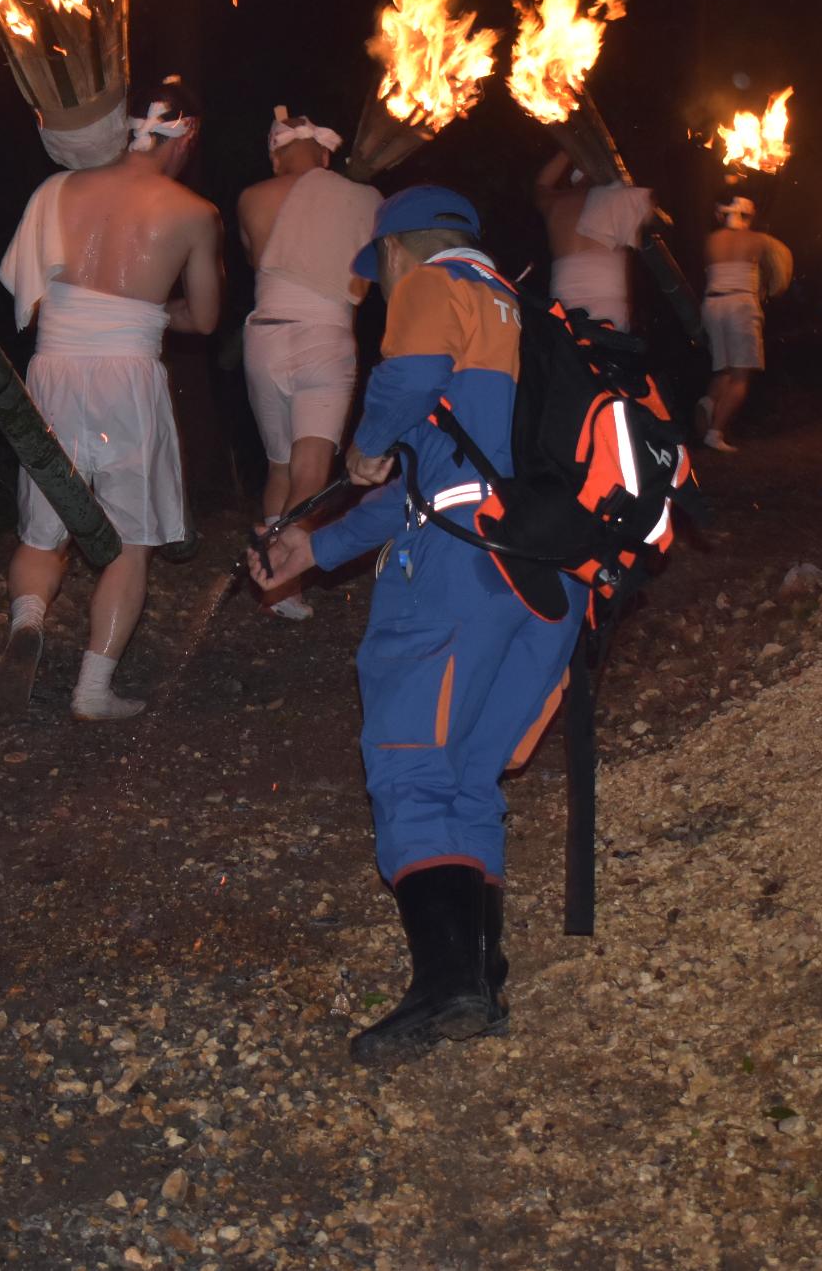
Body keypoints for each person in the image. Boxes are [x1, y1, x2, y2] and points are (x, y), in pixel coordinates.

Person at [247, 186, 586, 1067]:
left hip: (456, 582)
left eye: (380, 274)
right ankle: (483, 976)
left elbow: (402, 389)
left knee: (408, 769)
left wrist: (368, 438)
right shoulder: (527, 320)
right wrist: (314, 551)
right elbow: (424, 489)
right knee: (467, 777)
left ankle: (448, 985)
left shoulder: (442, 285)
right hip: (546, 581)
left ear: (397, 252)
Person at [0, 76, 224, 720]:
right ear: (188, 134)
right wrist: (146, 316)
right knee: (129, 539)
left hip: (54, 370)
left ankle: (28, 621)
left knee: (45, 525)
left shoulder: (56, 188)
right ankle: (92, 691)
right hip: (127, 376)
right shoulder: (194, 212)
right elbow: (204, 317)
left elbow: (29, 297)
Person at [235, 106, 381, 620]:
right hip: (325, 332)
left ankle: (278, 590)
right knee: (311, 463)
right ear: (323, 153)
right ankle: (287, 567)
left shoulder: (253, 197)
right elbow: (369, 274)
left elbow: (260, 262)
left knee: (280, 462)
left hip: (266, 335)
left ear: (276, 156)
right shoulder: (366, 199)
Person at [696, 194, 792, 454]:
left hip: (713, 304)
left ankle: (707, 403)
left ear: (720, 215)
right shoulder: (759, 240)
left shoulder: (711, 240)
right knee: (741, 375)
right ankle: (715, 433)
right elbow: (779, 275)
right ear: (749, 216)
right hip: (740, 305)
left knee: (723, 369)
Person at [534, 151, 653, 331]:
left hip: (564, 308)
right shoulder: (619, 199)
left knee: (568, 357)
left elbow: (541, 185)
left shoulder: (556, 203)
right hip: (609, 307)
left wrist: (568, 148)